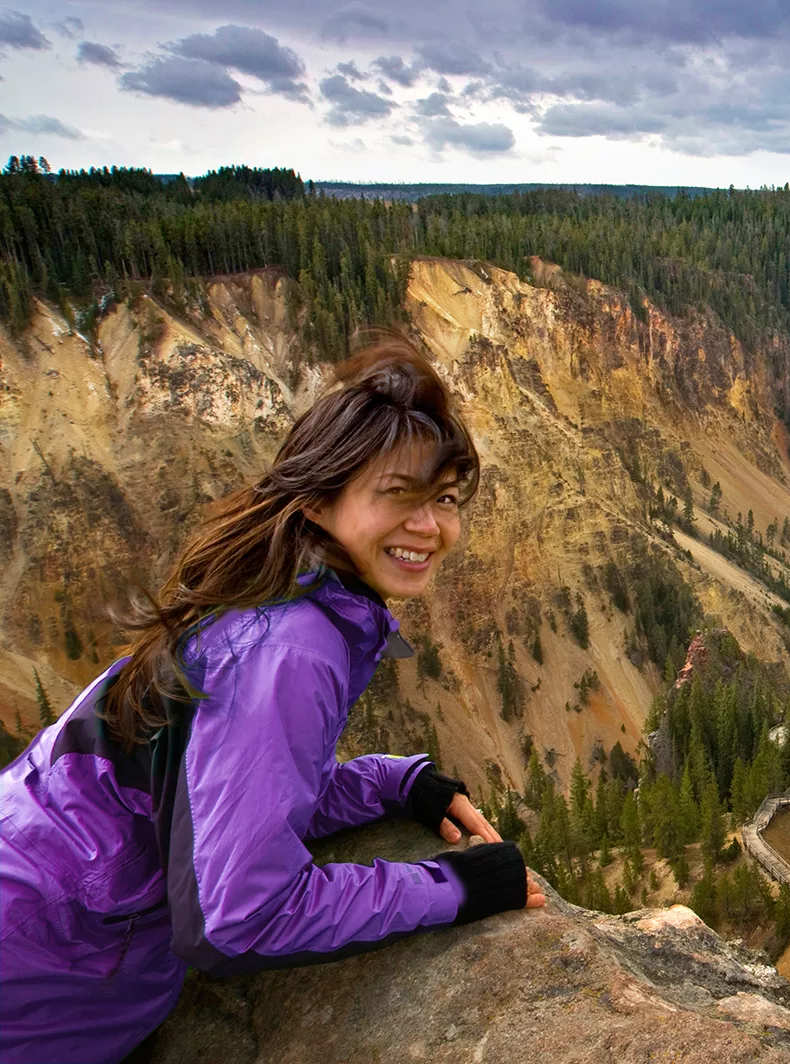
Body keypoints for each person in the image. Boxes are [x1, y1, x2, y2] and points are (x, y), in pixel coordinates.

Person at [0, 335, 544, 1063]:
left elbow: (209, 796)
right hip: (42, 975)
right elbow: (239, 919)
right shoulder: (289, 647)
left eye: (444, 499)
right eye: (398, 495)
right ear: (319, 501)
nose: (429, 527)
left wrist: (387, 782)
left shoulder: (276, 593)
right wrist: (451, 887)